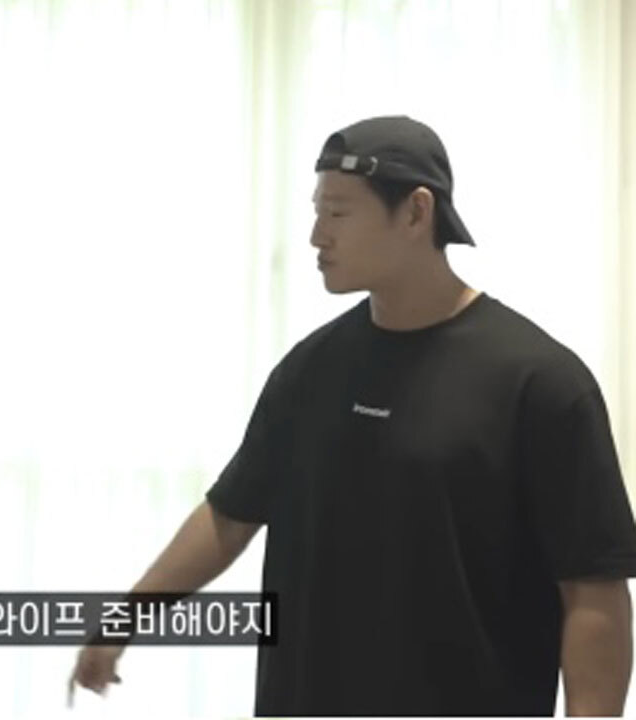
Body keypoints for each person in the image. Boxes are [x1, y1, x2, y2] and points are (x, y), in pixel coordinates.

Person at [69, 116, 636, 716]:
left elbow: (592, 590)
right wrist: (125, 618)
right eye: (317, 212)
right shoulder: (310, 370)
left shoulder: (541, 383)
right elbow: (230, 515)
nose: (317, 236)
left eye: (338, 213)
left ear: (416, 213)